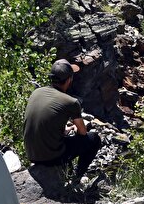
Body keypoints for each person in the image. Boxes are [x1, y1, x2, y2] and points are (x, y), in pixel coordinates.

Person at [23, 59, 101, 187]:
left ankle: (66, 174)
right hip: (50, 158)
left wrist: (64, 130)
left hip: (31, 154)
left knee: (66, 139)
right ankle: (76, 180)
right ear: (69, 79)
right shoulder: (71, 102)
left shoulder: (36, 92)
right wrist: (76, 129)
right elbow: (82, 133)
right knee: (94, 139)